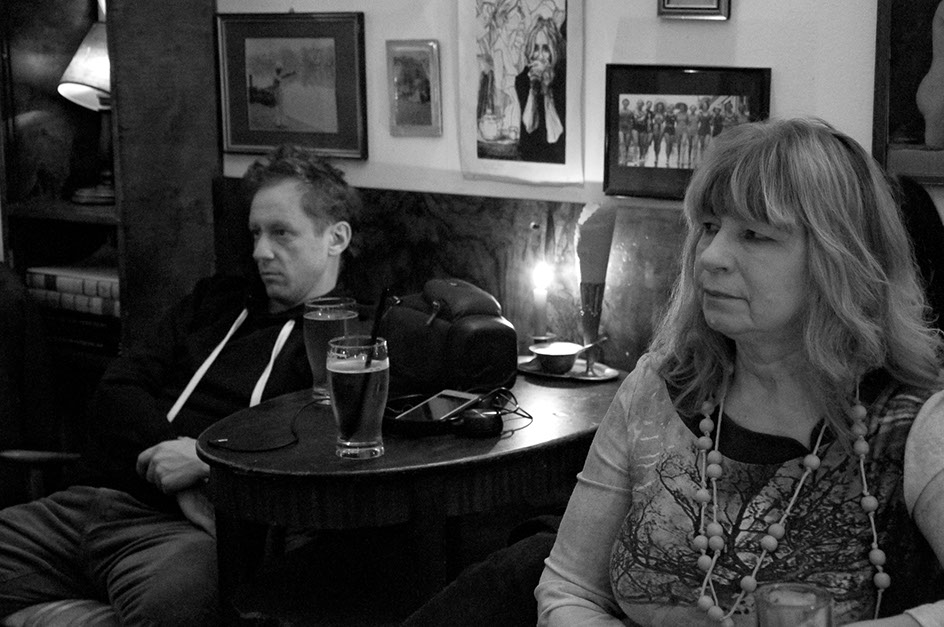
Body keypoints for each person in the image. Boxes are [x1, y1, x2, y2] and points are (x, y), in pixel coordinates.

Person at [535, 118, 944, 626]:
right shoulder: (659, 387)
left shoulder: (912, 418)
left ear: (838, 258)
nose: (711, 257)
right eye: (709, 227)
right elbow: (570, 588)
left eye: (754, 234)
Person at [0, 144, 360, 626]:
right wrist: (175, 464)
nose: (260, 251)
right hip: (82, 505)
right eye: (255, 233)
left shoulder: (343, 341)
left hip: (178, 536)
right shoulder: (212, 301)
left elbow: (314, 449)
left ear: (336, 237)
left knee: (177, 603)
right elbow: (117, 390)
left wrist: (207, 468)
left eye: (281, 233)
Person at [515, 16, 566, 164]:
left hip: (556, 158)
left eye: (545, 49)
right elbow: (529, 126)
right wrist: (533, 88)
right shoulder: (523, 79)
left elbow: (554, 135)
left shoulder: (562, 80)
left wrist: (547, 90)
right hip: (528, 157)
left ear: (554, 51)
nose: (540, 56)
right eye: (535, 48)